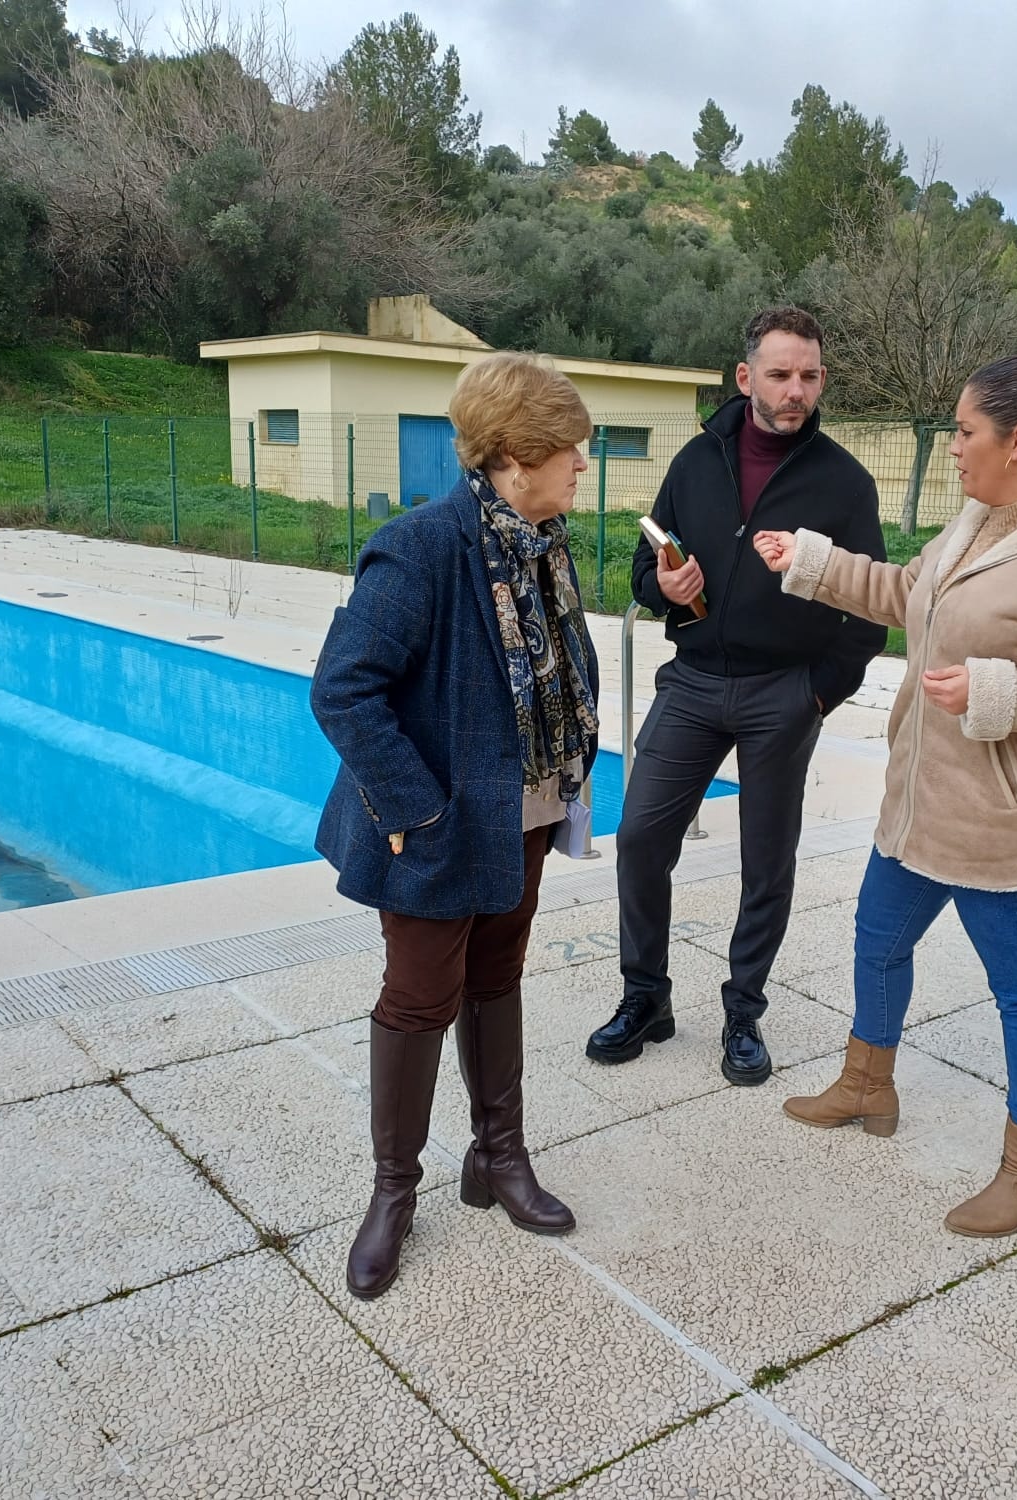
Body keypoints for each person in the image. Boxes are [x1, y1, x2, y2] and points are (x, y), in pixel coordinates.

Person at [753, 353, 1017, 1237]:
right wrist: (812, 563)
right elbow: (911, 593)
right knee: (876, 937)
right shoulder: (978, 521)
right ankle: (867, 1085)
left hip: (1009, 820)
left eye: (966, 432)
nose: (953, 449)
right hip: (924, 802)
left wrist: (998, 691)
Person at [311, 352, 599, 1300]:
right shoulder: (426, 547)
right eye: (572, 451)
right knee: (418, 999)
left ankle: (498, 1159)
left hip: (519, 816)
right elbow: (344, 689)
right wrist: (416, 808)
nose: (582, 467)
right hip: (435, 827)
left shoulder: (540, 542)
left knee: (497, 978)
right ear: (517, 455)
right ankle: (394, 1192)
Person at [586, 307, 888, 1086]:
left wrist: (818, 694)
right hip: (690, 683)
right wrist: (664, 586)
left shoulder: (845, 483)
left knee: (767, 863)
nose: (797, 391)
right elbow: (640, 566)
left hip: (781, 693)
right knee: (642, 838)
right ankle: (645, 996)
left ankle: (743, 1014)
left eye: (811, 376)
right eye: (782, 374)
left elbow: (872, 605)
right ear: (745, 376)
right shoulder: (694, 462)